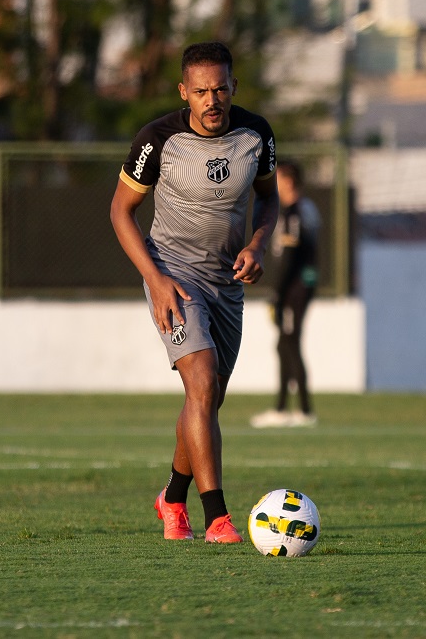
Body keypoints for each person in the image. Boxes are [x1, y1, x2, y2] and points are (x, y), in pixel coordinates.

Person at [110, 41, 280, 543]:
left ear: (233, 87)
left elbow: (268, 201)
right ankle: (219, 518)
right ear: (185, 92)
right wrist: (156, 280)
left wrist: (258, 244)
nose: (212, 100)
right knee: (201, 383)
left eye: (221, 89)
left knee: (207, 399)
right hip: (174, 274)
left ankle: (172, 498)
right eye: (201, 91)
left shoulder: (257, 135)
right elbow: (120, 212)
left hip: (227, 282)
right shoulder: (157, 139)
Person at [250, 160, 321, 428]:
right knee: (284, 344)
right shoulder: (301, 209)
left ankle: (302, 410)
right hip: (296, 287)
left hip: (295, 289)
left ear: (289, 181)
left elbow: (291, 258)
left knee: (289, 344)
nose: (274, 182)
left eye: (278, 178)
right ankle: (286, 409)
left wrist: (277, 295)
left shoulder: (295, 212)